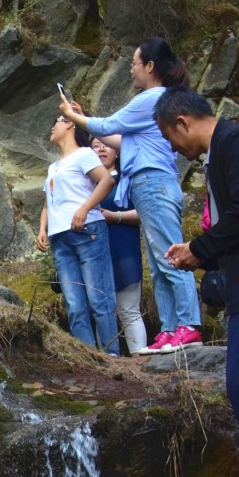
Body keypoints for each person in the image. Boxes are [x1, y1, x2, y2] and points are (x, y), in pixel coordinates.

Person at [58, 36, 202, 354]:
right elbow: (122, 140)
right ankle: (169, 329)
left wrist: (73, 115)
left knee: (172, 255)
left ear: (150, 66)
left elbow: (111, 124)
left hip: (153, 183)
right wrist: (85, 119)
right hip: (148, 184)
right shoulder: (158, 101)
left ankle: (189, 325)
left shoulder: (152, 97)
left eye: (134, 64)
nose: (131, 71)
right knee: (161, 258)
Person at [154, 87, 239, 428]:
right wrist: (199, 256)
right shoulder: (221, 149)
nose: (174, 148)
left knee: (238, 382)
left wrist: (199, 248)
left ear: (182, 122)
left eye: (169, 138)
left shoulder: (234, 141)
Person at [37, 115, 119, 355]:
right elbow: (47, 204)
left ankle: (111, 355)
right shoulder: (54, 167)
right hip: (59, 236)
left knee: (98, 297)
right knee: (74, 303)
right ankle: (88, 357)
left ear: (70, 125)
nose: (52, 125)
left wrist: (84, 208)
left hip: (87, 230)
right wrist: (42, 229)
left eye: (58, 121)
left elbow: (106, 181)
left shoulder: (84, 154)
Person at [90, 137, 148, 354]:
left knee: (128, 309)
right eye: (95, 146)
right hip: (95, 253)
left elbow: (145, 212)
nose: (101, 149)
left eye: (106, 145)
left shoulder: (127, 179)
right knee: (102, 310)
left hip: (123, 248)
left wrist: (116, 216)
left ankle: (140, 358)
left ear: (118, 151)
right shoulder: (86, 182)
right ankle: (107, 360)